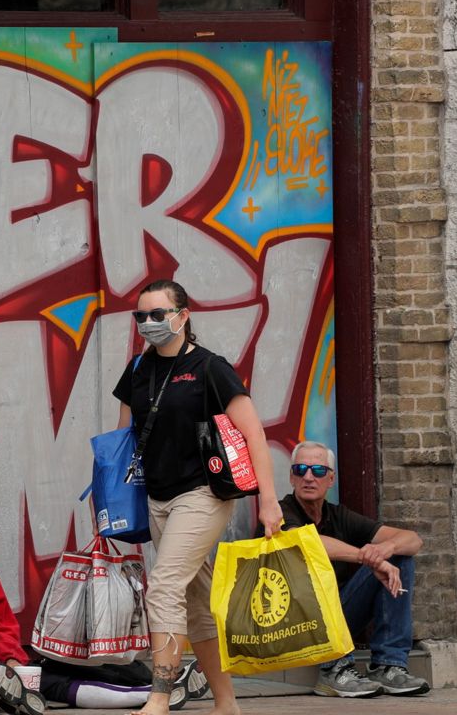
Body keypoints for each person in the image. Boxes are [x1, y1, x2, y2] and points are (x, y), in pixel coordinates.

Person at [112, 279, 283, 715]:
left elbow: (254, 435)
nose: (148, 324)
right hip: (157, 498)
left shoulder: (210, 368)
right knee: (194, 600)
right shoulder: (137, 370)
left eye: (158, 314)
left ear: (183, 316)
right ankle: (226, 702)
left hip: (203, 494)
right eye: (141, 316)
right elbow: (123, 440)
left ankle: (159, 697)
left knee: (165, 585)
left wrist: (268, 500)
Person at [0, 487, 189, 714]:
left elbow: (2, 623)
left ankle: (156, 692)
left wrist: (11, 660)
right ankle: (11, 695)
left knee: (45, 674)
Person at [277, 440, 430, 698]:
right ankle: (333, 670)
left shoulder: (338, 516)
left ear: (331, 478)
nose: (308, 477)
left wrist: (385, 550)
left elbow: (413, 540)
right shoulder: (282, 512)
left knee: (400, 558)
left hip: (338, 618)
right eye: (300, 469)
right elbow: (306, 543)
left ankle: (388, 665)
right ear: (291, 477)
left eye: (318, 471)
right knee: (374, 562)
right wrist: (367, 557)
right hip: (294, 624)